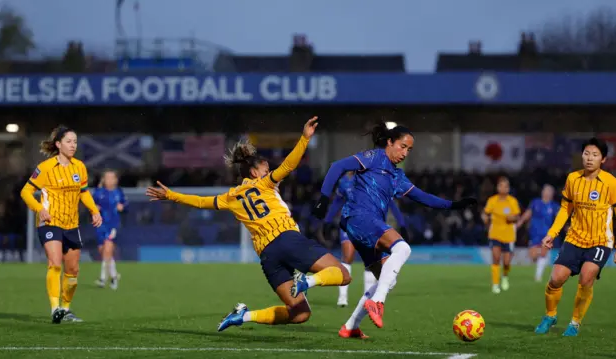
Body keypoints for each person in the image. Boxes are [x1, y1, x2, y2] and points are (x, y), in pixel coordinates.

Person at [145, 117, 352, 332]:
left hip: (268, 256)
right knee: (344, 275)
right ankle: (306, 282)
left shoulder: (231, 196)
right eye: (266, 169)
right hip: (286, 238)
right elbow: (289, 165)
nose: (269, 173)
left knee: (299, 313)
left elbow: (201, 202)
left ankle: (243, 316)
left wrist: (171, 195)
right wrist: (304, 139)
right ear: (254, 173)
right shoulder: (265, 183)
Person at [310, 123, 476, 337]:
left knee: (388, 279)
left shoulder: (397, 176)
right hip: (360, 218)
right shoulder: (374, 157)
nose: (405, 153)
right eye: (402, 146)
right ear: (390, 142)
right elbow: (337, 166)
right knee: (403, 249)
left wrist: (454, 205)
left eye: (409, 150)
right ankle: (377, 303)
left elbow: (424, 197)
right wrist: (324, 198)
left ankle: (350, 326)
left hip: (362, 226)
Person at [535, 138, 616, 337]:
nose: (589, 158)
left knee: (586, 278)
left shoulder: (611, 183)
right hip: (575, 238)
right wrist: (552, 234)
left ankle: (575, 322)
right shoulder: (572, 179)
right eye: (586, 153)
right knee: (556, 278)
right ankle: (550, 315)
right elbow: (565, 210)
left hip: (601, 241)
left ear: (603, 159)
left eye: (595, 155)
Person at [20, 125, 102, 324]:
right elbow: (25, 192)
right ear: (58, 144)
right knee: (55, 263)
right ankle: (54, 308)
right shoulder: (46, 168)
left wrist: (94, 210)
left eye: (75, 142)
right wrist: (39, 209)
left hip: (71, 224)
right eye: (69, 141)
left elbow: (83, 192)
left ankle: (66, 310)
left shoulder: (79, 167)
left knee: (72, 270)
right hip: (50, 222)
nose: (73, 145)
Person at [323, 171, 407, 307]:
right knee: (348, 256)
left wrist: (402, 224)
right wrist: (327, 221)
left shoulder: (376, 181)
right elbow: (337, 203)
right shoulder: (344, 182)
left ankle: (366, 298)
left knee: (371, 262)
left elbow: (391, 204)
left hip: (371, 225)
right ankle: (342, 297)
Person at [481, 176, 520, 294]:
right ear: (497, 187)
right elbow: (485, 213)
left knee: (507, 262)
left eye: (505, 186)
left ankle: (505, 276)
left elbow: (517, 217)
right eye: (501, 186)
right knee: (496, 258)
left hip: (509, 236)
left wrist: (512, 218)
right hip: (495, 234)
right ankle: (495, 284)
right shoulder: (492, 200)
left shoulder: (512, 201)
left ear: (508, 188)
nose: (503, 188)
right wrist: (484, 218)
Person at [516, 184, 560, 282]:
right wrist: (520, 222)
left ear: (552, 194)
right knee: (533, 256)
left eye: (550, 192)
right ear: (542, 192)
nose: (547, 193)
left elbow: (560, 218)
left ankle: (538, 276)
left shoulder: (554, 206)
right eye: (546, 191)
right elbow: (528, 214)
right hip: (534, 233)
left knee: (543, 253)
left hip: (548, 234)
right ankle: (541, 258)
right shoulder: (535, 202)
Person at [93, 170, 127, 290]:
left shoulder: (118, 192)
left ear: (116, 180)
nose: (109, 180)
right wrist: (94, 208)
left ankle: (102, 279)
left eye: (112, 178)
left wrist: (122, 206)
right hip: (100, 225)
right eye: (107, 178)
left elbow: (125, 204)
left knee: (107, 249)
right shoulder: (98, 192)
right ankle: (113, 276)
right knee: (103, 251)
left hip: (113, 225)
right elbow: (91, 204)